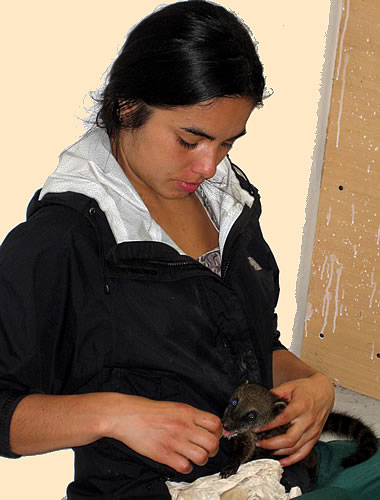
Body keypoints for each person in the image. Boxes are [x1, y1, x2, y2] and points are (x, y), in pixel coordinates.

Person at [2, 1, 377, 498]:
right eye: (189, 140)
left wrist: (313, 383)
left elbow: (252, 345)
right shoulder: (61, 241)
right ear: (127, 106)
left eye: (227, 144)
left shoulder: (229, 207)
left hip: (271, 473)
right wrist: (114, 415)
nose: (208, 166)